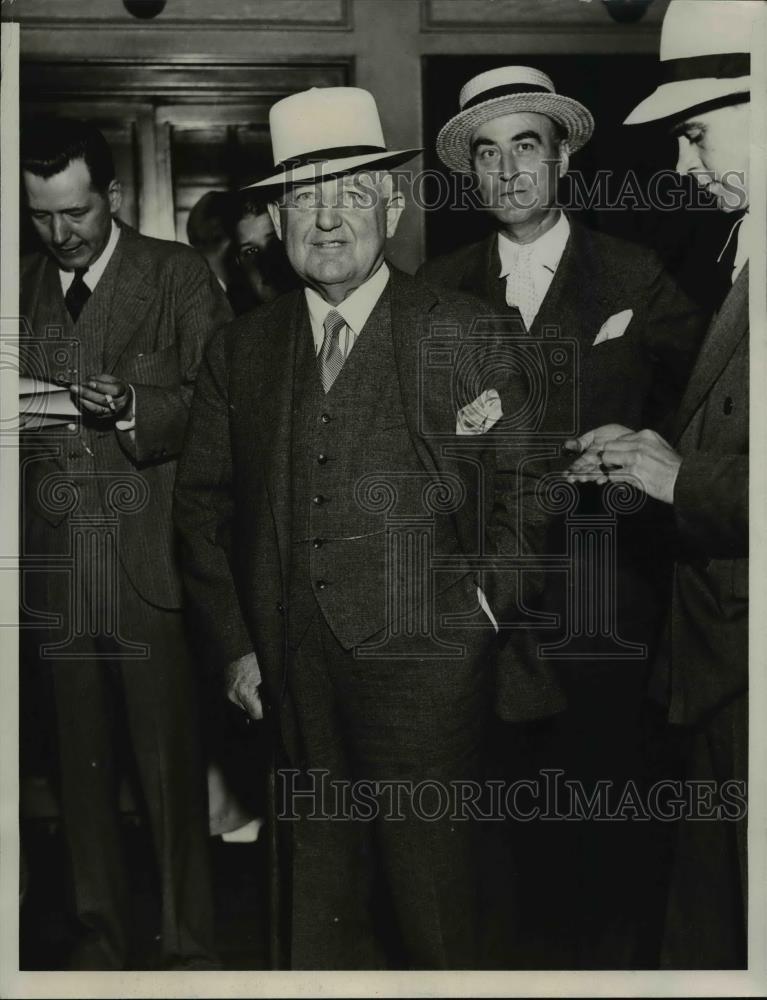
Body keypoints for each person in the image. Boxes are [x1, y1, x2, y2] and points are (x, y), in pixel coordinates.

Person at [174, 85, 533, 970]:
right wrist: (236, 647)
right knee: (313, 912)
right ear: (276, 215)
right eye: (303, 197)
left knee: (436, 913)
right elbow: (202, 506)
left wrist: (480, 615)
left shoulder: (463, 329)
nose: (326, 219)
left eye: (350, 193)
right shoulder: (241, 350)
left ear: (394, 206)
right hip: (289, 682)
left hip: (430, 681)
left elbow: (533, 489)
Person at [418, 65, 707, 967]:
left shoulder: (633, 273)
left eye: (527, 147)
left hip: (608, 598)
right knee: (495, 832)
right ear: (470, 173)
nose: (507, 171)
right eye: (488, 154)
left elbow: (710, 407)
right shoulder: (437, 287)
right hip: (487, 607)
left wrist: (643, 449)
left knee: (608, 828)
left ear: (565, 159)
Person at [565, 0, 758, 969]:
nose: (682, 168)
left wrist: (681, 477)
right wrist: (653, 454)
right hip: (718, 655)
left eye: (693, 133)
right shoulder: (737, 249)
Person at [19, 117, 231, 969]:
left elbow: (220, 407)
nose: (60, 234)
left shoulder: (177, 274)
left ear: (110, 196)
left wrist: (136, 404)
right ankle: (98, 942)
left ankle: (188, 951)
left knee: (168, 774)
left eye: (74, 213)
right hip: (57, 567)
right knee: (79, 776)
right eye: (40, 217)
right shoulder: (16, 283)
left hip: (149, 566)